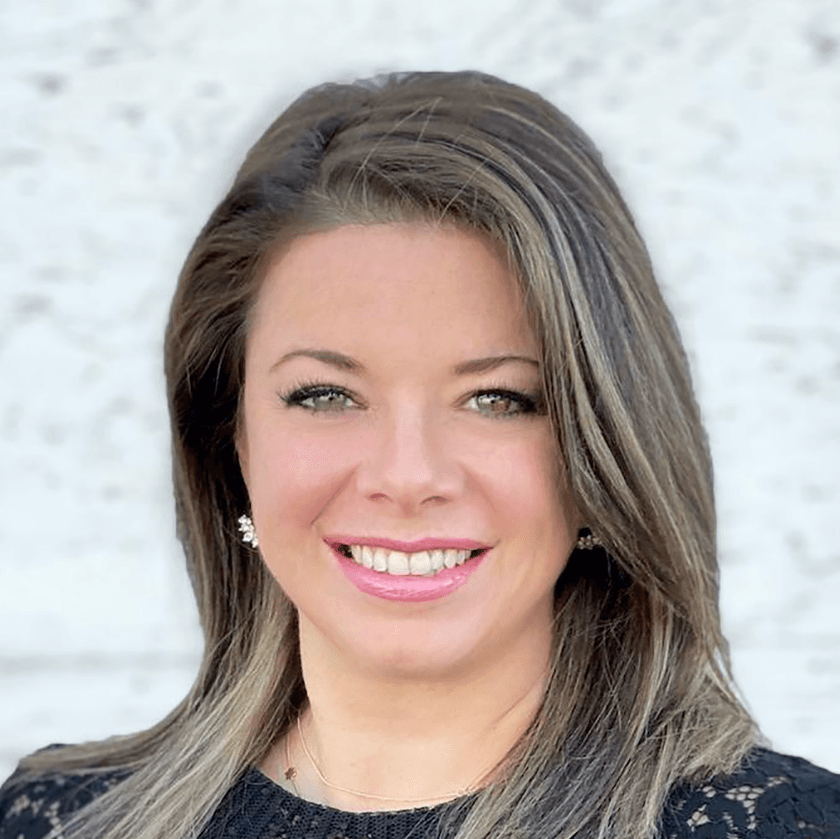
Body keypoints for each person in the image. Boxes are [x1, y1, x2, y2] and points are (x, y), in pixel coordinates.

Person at [1, 70, 837, 839]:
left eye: (498, 399)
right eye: (325, 395)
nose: (407, 476)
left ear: (602, 446)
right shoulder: (57, 820)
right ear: (231, 440)